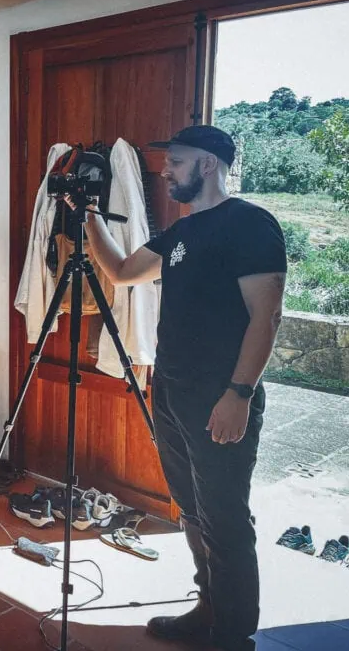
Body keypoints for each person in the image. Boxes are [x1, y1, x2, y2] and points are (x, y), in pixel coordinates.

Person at [76, 125, 286, 651]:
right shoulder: (178, 233)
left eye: (177, 162)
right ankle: (208, 607)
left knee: (224, 512)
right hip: (170, 389)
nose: (166, 171)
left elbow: (268, 316)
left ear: (209, 164)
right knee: (191, 507)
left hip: (221, 394)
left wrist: (239, 393)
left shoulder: (251, 224)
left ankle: (233, 634)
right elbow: (123, 273)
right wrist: (90, 220)